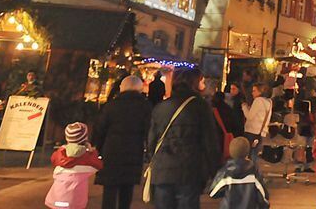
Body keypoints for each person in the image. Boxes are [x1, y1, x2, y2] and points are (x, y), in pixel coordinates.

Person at [146, 68, 220, 209]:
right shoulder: (200, 107)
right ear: (194, 82)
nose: (204, 84)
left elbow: (151, 141)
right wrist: (214, 170)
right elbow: (210, 141)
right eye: (201, 81)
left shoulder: (161, 107)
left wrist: (155, 161)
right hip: (189, 171)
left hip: (162, 171)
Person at [93, 75, 152, 209]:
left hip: (111, 150)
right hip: (134, 151)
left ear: (122, 88)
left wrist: (98, 148)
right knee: (127, 188)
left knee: (110, 189)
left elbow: (100, 129)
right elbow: (149, 130)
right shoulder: (145, 107)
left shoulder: (112, 105)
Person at [45, 122, 104, 209]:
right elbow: (98, 164)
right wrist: (91, 150)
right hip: (76, 201)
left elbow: (53, 159)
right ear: (85, 139)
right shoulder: (87, 157)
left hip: (57, 198)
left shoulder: (60, 153)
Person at [209, 136, 269, 209]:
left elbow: (212, 193)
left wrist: (226, 191)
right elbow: (263, 197)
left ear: (231, 152)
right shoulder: (254, 172)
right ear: (247, 153)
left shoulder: (225, 172)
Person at [242, 83, 272, 163]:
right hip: (260, 132)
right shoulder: (268, 102)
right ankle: (255, 173)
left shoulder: (258, 101)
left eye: (254, 91)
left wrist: (244, 107)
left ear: (260, 92)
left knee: (249, 155)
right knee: (254, 156)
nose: (252, 93)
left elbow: (249, 116)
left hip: (252, 131)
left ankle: (251, 173)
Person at [211, 91, 243, 162]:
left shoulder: (209, 109)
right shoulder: (227, 109)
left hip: (213, 139)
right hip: (225, 138)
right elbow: (235, 124)